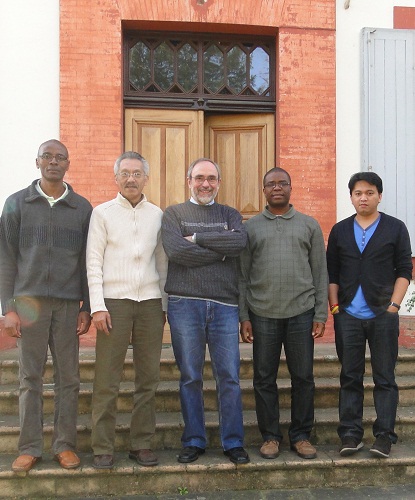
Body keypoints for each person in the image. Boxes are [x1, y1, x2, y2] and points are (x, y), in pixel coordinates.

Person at [0, 139, 92, 472]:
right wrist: (7, 308)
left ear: (68, 164)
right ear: (37, 162)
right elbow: (6, 259)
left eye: (60, 157)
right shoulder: (16, 204)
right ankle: (30, 447)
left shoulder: (82, 208)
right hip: (28, 304)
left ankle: (64, 445)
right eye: (47, 157)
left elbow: (86, 260)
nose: (54, 162)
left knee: (69, 377)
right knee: (30, 378)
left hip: (68, 305)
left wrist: (87, 305)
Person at [161, 158, 250, 465]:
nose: (205, 183)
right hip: (184, 304)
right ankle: (194, 439)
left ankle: (233, 441)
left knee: (229, 377)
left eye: (211, 178)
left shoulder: (230, 214)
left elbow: (238, 243)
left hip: (225, 305)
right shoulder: (173, 214)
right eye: (199, 177)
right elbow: (176, 251)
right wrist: (219, 254)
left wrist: (197, 239)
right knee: (190, 377)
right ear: (189, 181)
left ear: (218, 183)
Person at [239, 167, 328, 460]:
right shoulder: (250, 227)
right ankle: (270, 437)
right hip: (262, 312)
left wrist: (320, 313)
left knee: (303, 377)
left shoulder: (309, 225)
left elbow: (320, 271)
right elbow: (242, 274)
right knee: (264, 378)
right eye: (270, 184)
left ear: (291, 188)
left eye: (282, 183)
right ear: (263, 190)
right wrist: (244, 316)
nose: (277, 187)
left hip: (301, 313)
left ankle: (301, 436)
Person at [87, 151, 167, 469]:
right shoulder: (102, 214)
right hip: (113, 304)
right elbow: (93, 261)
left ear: (146, 178)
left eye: (137, 173)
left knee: (148, 378)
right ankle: (102, 446)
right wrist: (97, 306)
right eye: (125, 173)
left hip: (149, 304)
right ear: (116, 177)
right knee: (107, 378)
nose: (131, 178)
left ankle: (141, 443)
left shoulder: (157, 215)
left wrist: (163, 303)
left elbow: (162, 262)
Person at [327, 171, 412, 459]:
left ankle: (384, 437)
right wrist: (336, 309)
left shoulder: (395, 228)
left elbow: (404, 271)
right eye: (358, 193)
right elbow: (333, 273)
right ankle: (350, 434)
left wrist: (393, 308)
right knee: (349, 376)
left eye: (369, 193)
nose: (363, 198)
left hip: (382, 315)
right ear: (351, 197)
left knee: (384, 377)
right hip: (348, 314)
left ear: (379, 195)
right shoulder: (339, 230)